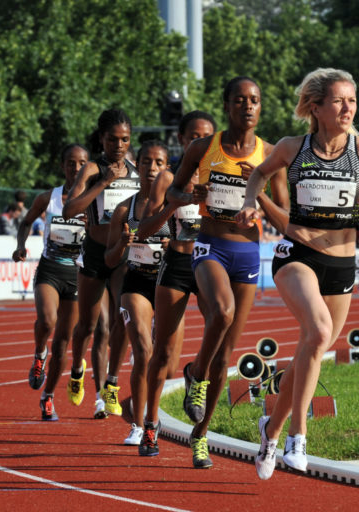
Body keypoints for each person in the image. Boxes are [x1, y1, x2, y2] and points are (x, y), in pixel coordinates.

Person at [236, 67, 359, 480]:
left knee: (314, 347)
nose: (348, 109)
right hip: (297, 254)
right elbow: (259, 172)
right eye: (339, 101)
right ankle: (298, 437)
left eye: (353, 101)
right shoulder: (294, 148)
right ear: (316, 107)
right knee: (317, 331)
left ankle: (269, 430)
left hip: (342, 264)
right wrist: (249, 201)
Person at [166, 77, 289, 468]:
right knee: (222, 312)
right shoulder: (205, 148)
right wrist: (191, 197)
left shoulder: (271, 155)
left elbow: (286, 219)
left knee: (226, 357)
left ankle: (200, 434)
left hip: (248, 253)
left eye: (255, 100)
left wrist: (261, 196)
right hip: (210, 245)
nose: (248, 106)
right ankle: (195, 372)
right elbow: (174, 193)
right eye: (240, 100)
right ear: (227, 105)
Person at [137, 110, 216, 455]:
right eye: (195, 137)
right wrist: (174, 203)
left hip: (213, 263)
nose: (202, 142)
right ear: (183, 140)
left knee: (219, 346)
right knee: (163, 352)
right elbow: (144, 230)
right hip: (179, 264)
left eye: (209, 137)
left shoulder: (223, 175)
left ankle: (201, 433)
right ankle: (150, 426)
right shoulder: (167, 178)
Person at [63, 108, 138, 419]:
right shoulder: (92, 169)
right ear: (102, 138)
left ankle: (111, 383)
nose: (118, 146)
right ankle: (78, 370)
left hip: (123, 254)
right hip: (95, 251)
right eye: (112, 139)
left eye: (124, 140)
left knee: (121, 318)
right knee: (86, 325)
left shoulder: (136, 170)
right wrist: (103, 183)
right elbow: (70, 209)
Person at [12, 143, 89, 421]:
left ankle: (48, 397)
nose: (76, 168)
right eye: (71, 163)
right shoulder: (49, 197)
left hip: (78, 274)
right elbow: (25, 222)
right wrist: (21, 246)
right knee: (46, 322)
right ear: (62, 166)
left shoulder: (94, 200)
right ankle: (38, 353)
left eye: (82, 163)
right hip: (50, 270)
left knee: (64, 343)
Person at [103, 140, 172, 445]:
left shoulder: (177, 206)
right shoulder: (124, 208)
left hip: (169, 283)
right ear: (138, 166)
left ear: (166, 168)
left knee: (165, 359)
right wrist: (123, 244)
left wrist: (178, 248)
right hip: (137, 283)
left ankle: (142, 409)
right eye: (146, 162)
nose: (152, 169)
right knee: (143, 350)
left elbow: (196, 245)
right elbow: (109, 258)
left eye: (159, 163)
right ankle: (139, 424)